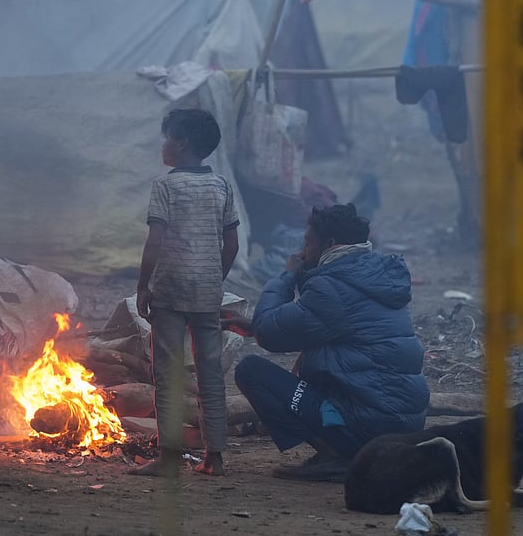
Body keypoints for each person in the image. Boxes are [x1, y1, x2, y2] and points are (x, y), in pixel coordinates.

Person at [234, 203, 428, 482]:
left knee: (251, 371)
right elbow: (322, 329)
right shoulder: (372, 275)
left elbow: (269, 332)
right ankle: (342, 449)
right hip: (400, 426)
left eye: (307, 242)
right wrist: (254, 326)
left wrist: (287, 275)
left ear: (329, 244)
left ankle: (337, 457)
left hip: (369, 427)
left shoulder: (333, 287)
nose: (302, 252)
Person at [130, 109, 240, 478]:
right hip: (207, 293)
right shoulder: (222, 186)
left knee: (167, 371)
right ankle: (215, 457)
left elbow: (155, 241)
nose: (163, 144)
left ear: (182, 143)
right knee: (210, 372)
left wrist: (143, 285)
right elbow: (232, 244)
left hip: (170, 291)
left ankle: (169, 457)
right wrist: (213, 278)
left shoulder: (166, 186)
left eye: (168, 137)